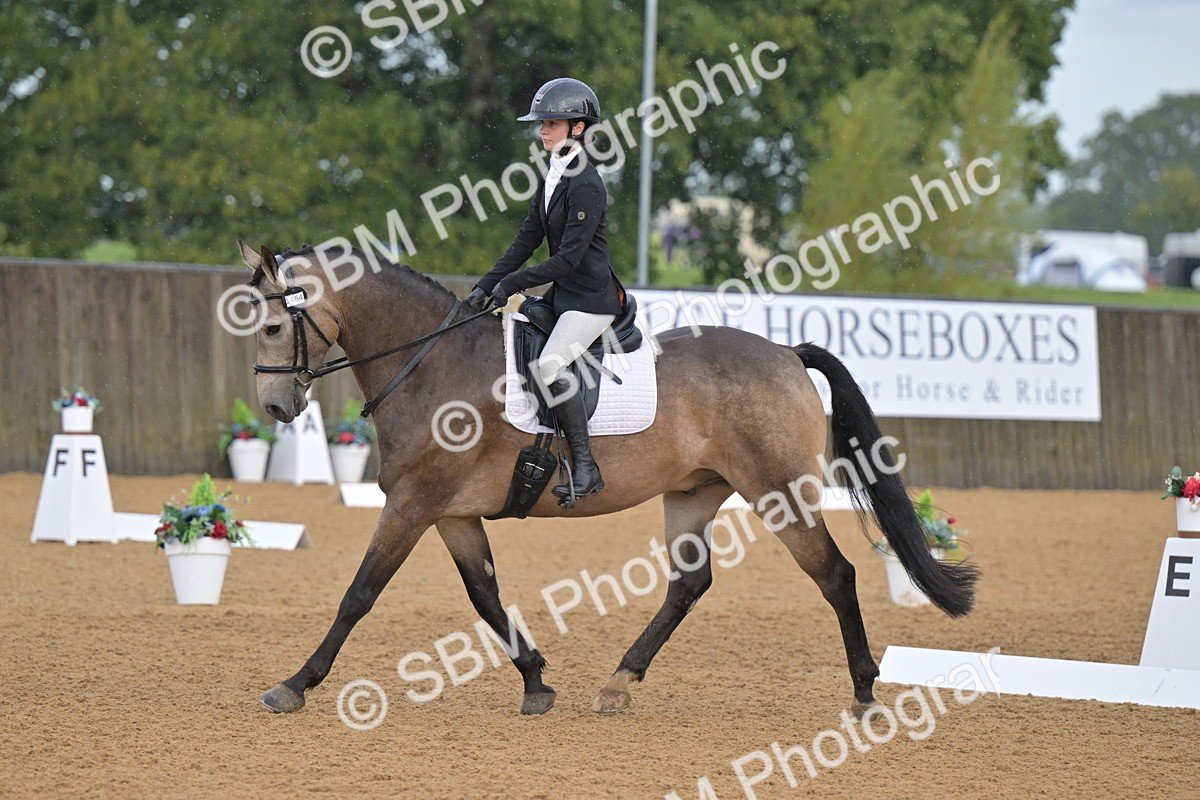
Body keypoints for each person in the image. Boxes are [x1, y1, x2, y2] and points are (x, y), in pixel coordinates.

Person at [466, 77, 627, 505]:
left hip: (591, 299)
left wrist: (512, 284)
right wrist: (484, 286)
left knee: (551, 367)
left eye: (551, 123)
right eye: (541, 123)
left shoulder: (587, 183)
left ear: (577, 128)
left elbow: (568, 259)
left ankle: (587, 466)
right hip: (564, 296)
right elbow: (526, 239)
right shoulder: (554, 174)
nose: (542, 130)